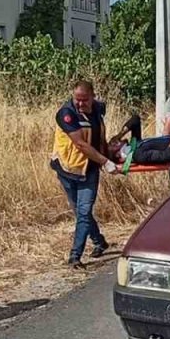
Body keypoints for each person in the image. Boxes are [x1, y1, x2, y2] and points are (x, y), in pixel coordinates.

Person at [52, 80, 118, 268]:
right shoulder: (66, 114)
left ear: (93, 97)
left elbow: (98, 134)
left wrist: (109, 152)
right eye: (77, 99)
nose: (80, 104)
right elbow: (80, 144)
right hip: (68, 169)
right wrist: (106, 162)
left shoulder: (98, 109)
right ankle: (99, 242)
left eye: (85, 100)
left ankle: (75, 257)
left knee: (83, 212)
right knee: (81, 212)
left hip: (89, 169)